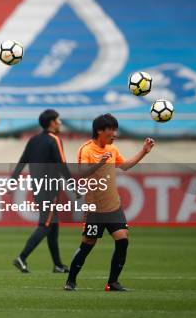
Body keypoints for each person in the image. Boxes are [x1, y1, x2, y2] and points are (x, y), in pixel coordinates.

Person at [64, 113, 154, 292]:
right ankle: (70, 281)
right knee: (87, 245)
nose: (115, 134)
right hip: (95, 208)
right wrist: (99, 163)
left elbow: (125, 165)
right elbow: (81, 173)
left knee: (122, 240)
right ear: (99, 131)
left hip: (113, 206)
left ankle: (112, 282)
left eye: (115, 130)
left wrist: (144, 151)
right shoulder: (86, 149)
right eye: (111, 130)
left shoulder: (112, 150)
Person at [10, 109, 71, 274]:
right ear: (52, 122)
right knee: (45, 225)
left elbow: (23, 160)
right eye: (58, 120)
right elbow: (62, 164)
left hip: (38, 188)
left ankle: (58, 264)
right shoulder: (54, 140)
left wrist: (12, 180)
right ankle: (22, 257)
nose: (60, 122)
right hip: (50, 189)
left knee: (53, 225)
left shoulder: (33, 140)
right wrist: (73, 185)